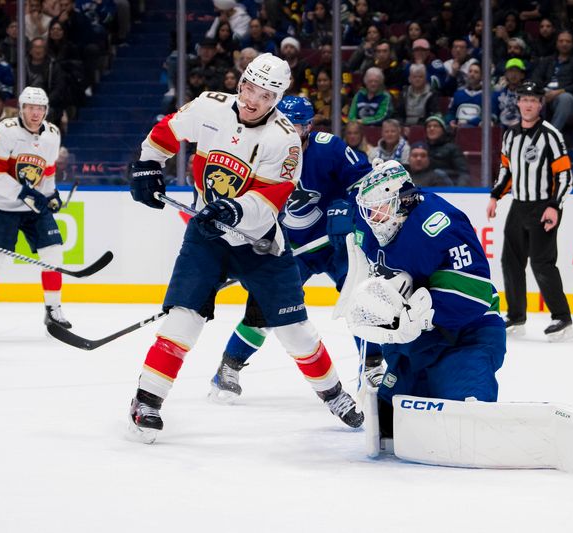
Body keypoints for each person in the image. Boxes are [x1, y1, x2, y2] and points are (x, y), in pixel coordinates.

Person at [126, 54, 363, 443]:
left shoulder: (285, 139)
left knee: (295, 330)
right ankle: (147, 400)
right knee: (184, 318)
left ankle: (334, 395)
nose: (252, 100)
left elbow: (269, 202)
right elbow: (166, 131)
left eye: (265, 95)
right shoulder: (209, 107)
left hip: (260, 243)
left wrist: (235, 208)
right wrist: (148, 164)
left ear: (276, 99)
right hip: (207, 236)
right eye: (249, 88)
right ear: (241, 83)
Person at [346, 159, 573, 472]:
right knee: (387, 424)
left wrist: (423, 312)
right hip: (414, 347)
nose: (371, 218)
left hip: (466, 338)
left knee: (471, 427)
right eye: (367, 209)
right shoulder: (370, 229)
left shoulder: (439, 223)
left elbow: (476, 294)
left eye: (378, 208)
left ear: (403, 199)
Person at [208, 95, 384, 408]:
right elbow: (250, 204)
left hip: (336, 243)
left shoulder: (329, 147)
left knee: (359, 299)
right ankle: (228, 367)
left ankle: (371, 367)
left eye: (298, 125)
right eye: (285, 123)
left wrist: (345, 208)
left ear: (308, 126)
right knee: (264, 308)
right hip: (290, 247)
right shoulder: (258, 152)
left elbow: (365, 182)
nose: (291, 130)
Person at [0, 87, 67, 336]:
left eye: (40, 109)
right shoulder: (6, 131)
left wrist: (51, 196)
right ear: (21, 109)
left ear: (45, 110)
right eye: (30, 108)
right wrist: (25, 193)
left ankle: (53, 310)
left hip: (33, 207)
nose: (35, 113)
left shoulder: (52, 134)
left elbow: (47, 174)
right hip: (2, 206)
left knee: (54, 254)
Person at [486, 81, 573, 341]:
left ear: (540, 104)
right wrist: (495, 196)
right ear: (518, 103)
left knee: (541, 263)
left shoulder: (550, 134)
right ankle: (516, 316)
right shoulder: (510, 135)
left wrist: (555, 207)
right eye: (523, 99)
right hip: (518, 205)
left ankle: (562, 318)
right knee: (510, 262)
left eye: (533, 100)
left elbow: (566, 176)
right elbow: (506, 171)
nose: (527, 104)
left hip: (543, 206)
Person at [530, 30, 573, 133]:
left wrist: (560, 91)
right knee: (528, 96)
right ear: (556, 43)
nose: (564, 44)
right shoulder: (547, 60)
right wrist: (542, 92)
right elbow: (535, 77)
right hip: (546, 93)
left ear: (572, 44)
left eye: (567, 41)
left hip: (567, 97)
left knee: (565, 98)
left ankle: (551, 134)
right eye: (561, 41)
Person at [424, 115, 469, 185]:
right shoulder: (421, 148)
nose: (431, 128)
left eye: (435, 126)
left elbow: (463, 173)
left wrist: (459, 191)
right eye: (428, 126)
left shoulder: (453, 148)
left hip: (446, 187)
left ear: (443, 130)